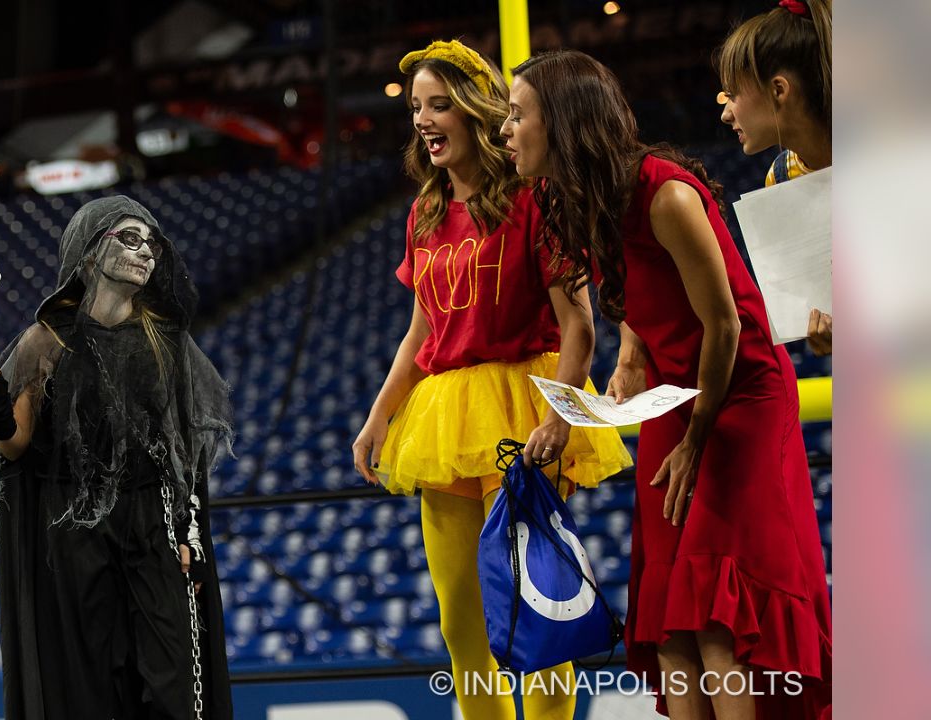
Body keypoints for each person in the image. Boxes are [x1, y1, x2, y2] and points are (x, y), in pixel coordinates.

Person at [503, 50, 831, 719]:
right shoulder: (578, 196)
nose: (504, 130)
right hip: (673, 399)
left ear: (562, 122)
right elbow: (642, 290)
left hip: (738, 399)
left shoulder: (669, 194)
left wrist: (695, 439)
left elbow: (726, 327)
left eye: (516, 114)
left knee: (716, 619)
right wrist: (630, 352)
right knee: (668, 624)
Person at [351, 39, 632, 720]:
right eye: (416, 106)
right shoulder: (424, 213)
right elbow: (422, 333)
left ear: (475, 109)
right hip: (444, 419)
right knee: (460, 623)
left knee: (540, 608)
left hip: (524, 412)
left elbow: (581, 328)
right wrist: (379, 416)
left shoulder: (537, 198)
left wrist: (561, 417)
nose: (422, 118)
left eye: (438, 104)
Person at [0, 196, 233, 720]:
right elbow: (16, 445)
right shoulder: (43, 340)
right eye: (129, 239)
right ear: (90, 253)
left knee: (172, 673)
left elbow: (185, 451)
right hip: (70, 527)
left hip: (150, 520)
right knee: (86, 679)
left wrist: (191, 534)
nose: (146, 252)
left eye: (151, 242)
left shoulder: (165, 340)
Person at [717, 0, 833, 355]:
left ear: (779, 90)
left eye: (732, 95)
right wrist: (825, 337)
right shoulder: (781, 178)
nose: (725, 114)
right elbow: (820, 328)